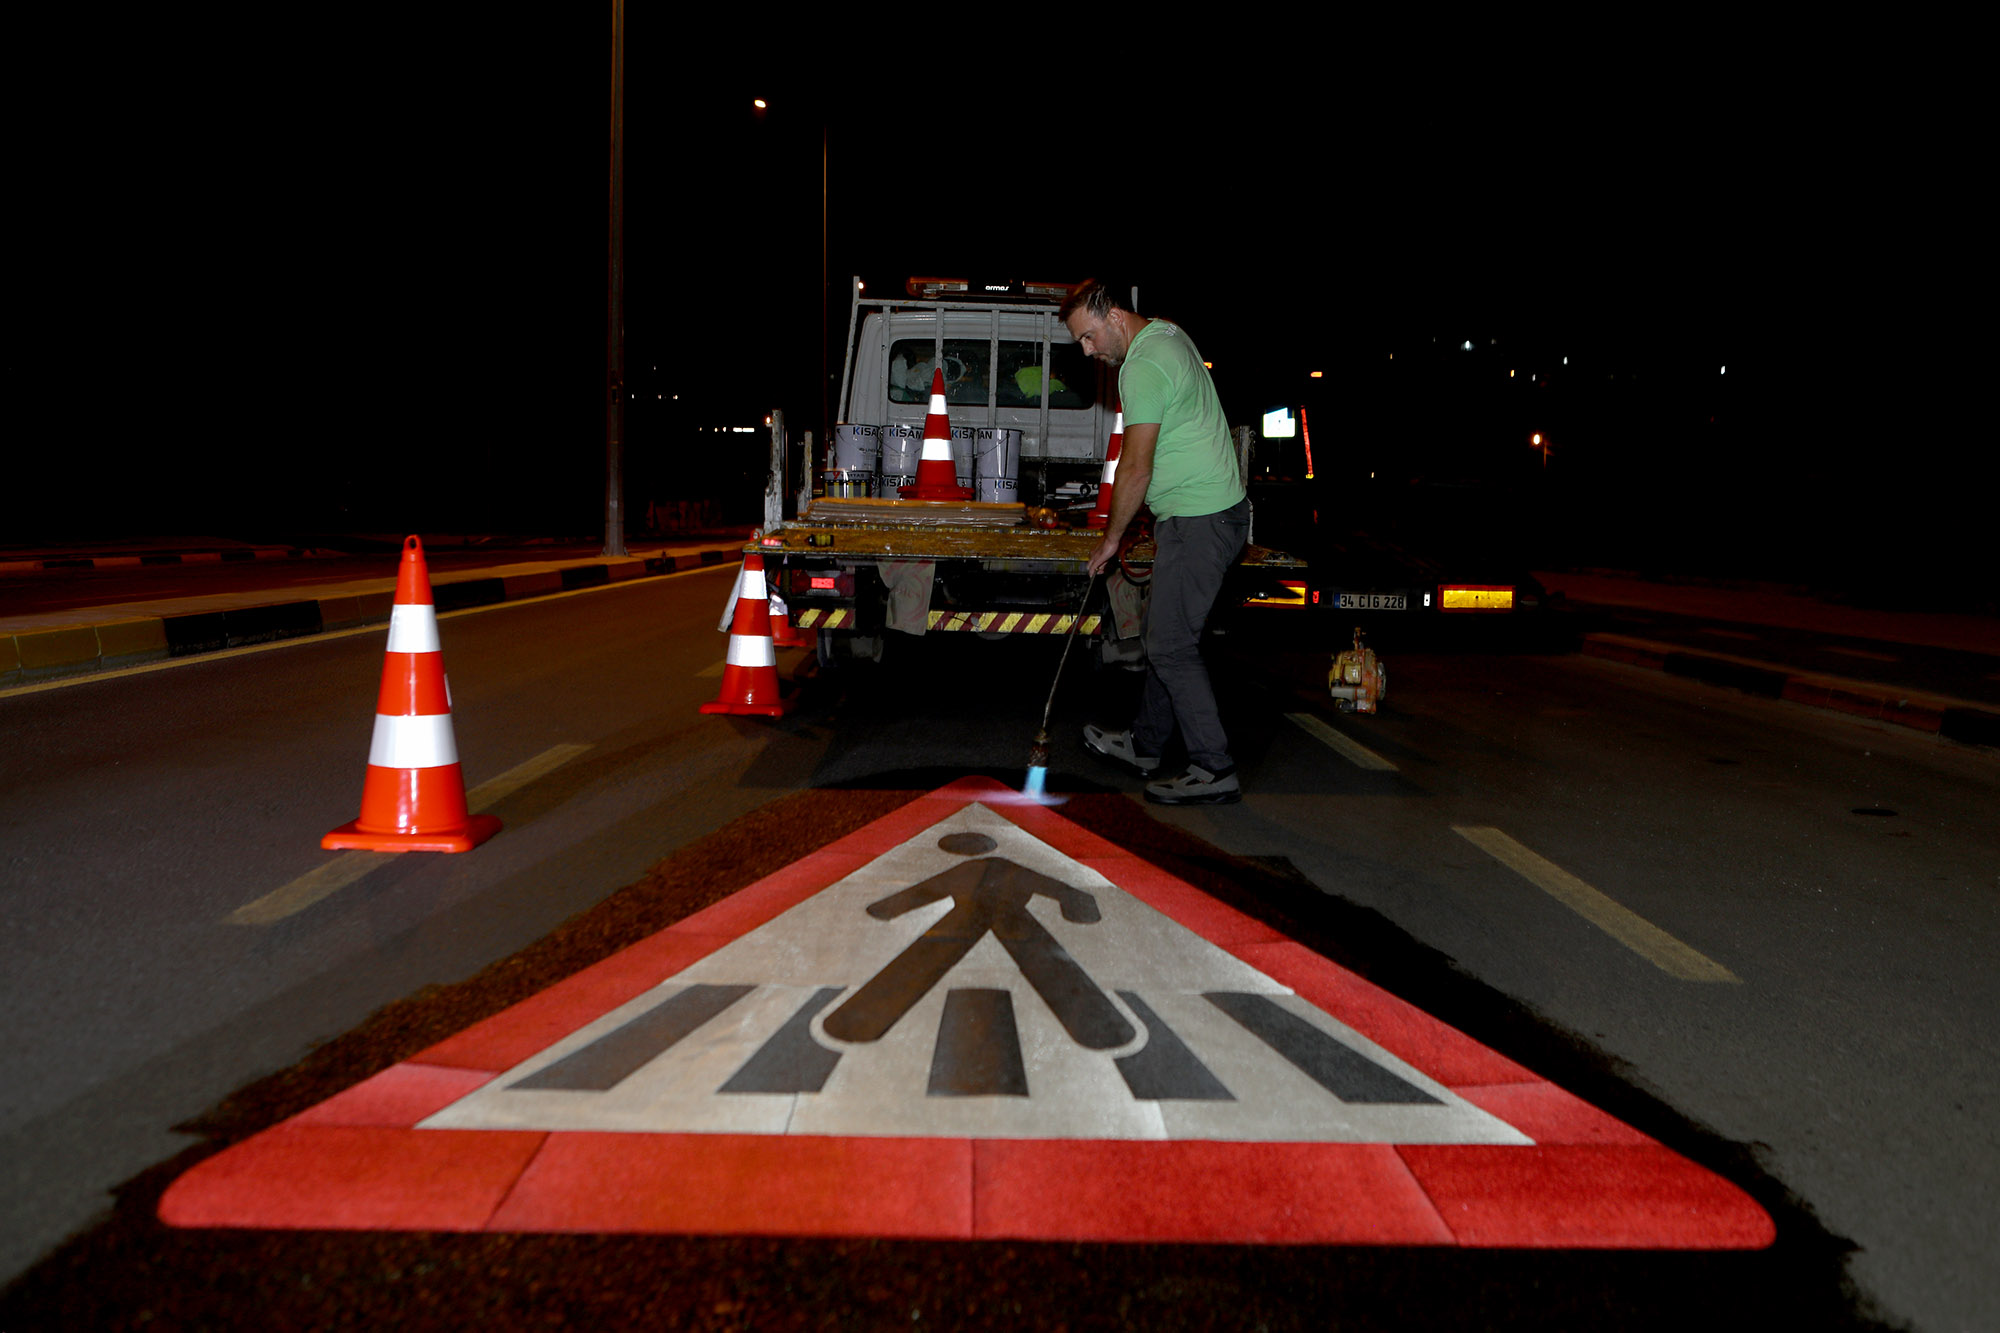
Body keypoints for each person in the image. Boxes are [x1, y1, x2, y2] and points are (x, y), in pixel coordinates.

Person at [1060, 279, 1248, 805]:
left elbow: (1135, 467)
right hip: (1206, 515)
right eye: (1081, 343)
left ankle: (1214, 768)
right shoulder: (1168, 334)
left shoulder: (1141, 367)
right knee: (1167, 638)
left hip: (1201, 520)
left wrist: (1111, 540)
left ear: (1114, 316)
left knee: (1169, 644)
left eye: (1089, 337)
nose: (1088, 350)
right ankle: (1145, 744)